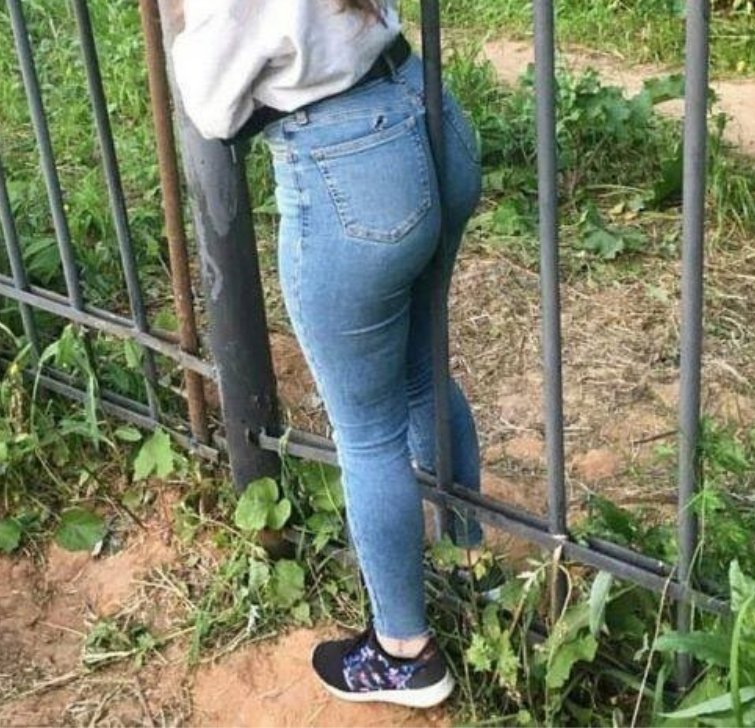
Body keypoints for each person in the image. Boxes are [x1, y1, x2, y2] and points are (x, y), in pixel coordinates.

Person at [172, 0, 483, 708]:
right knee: (422, 375)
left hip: (348, 162)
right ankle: (470, 565)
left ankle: (403, 654)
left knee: (367, 431)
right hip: (423, 106)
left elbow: (211, 106)